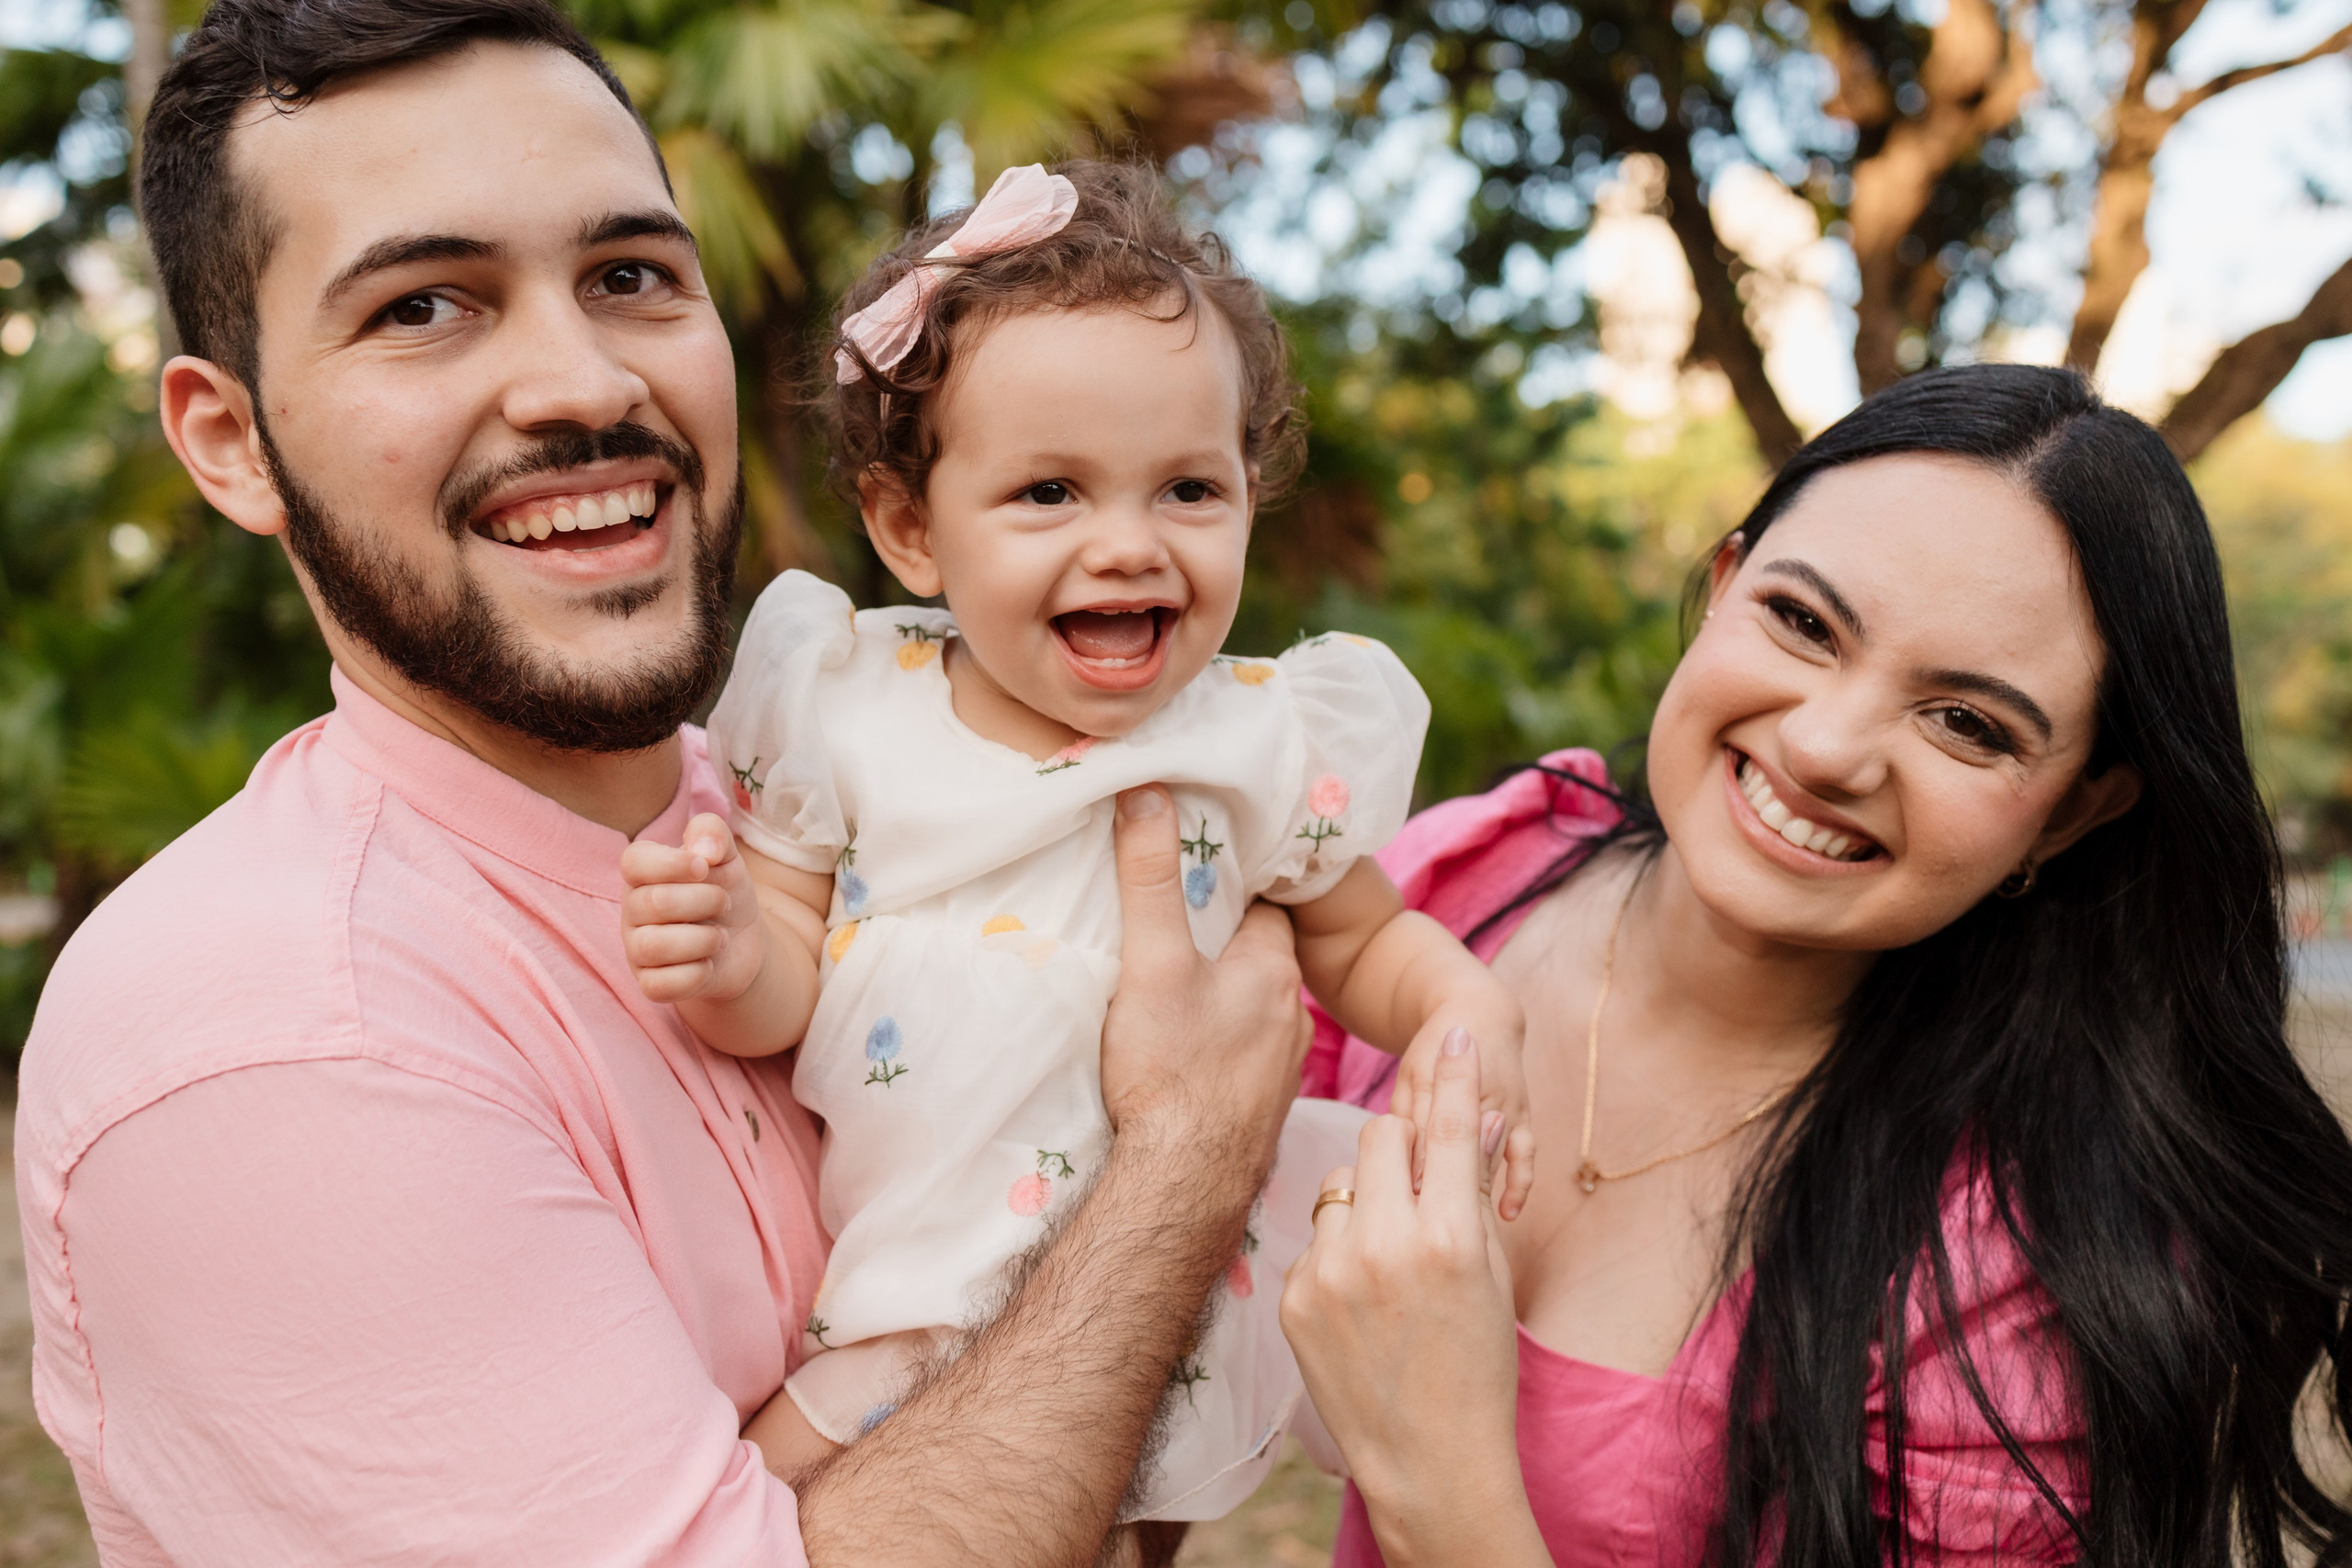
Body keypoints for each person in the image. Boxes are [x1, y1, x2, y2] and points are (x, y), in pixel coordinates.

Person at [14, 4, 1316, 1563]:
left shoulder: (844, 813)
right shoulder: (273, 1034)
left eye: (630, 277)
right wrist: (1183, 1162)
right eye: (426, 305)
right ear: (230, 443)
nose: (577, 382)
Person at [1280, 367, 2352, 1566]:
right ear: (1726, 584)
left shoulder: (2021, 1284)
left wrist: (1441, 1484)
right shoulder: (1451, 889)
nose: (1824, 746)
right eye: (1802, 622)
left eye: (1968, 724)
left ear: (2069, 816)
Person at [614, 158, 1529, 1515]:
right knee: (776, 1508)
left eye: (1187, 492)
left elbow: (1364, 934)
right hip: (912, 1282)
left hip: (1165, 1286)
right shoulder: (852, 706)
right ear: (911, 528)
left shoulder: (1258, 739)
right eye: (1050, 493)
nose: (1128, 546)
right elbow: (785, 983)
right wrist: (733, 951)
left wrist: (1459, 1003)